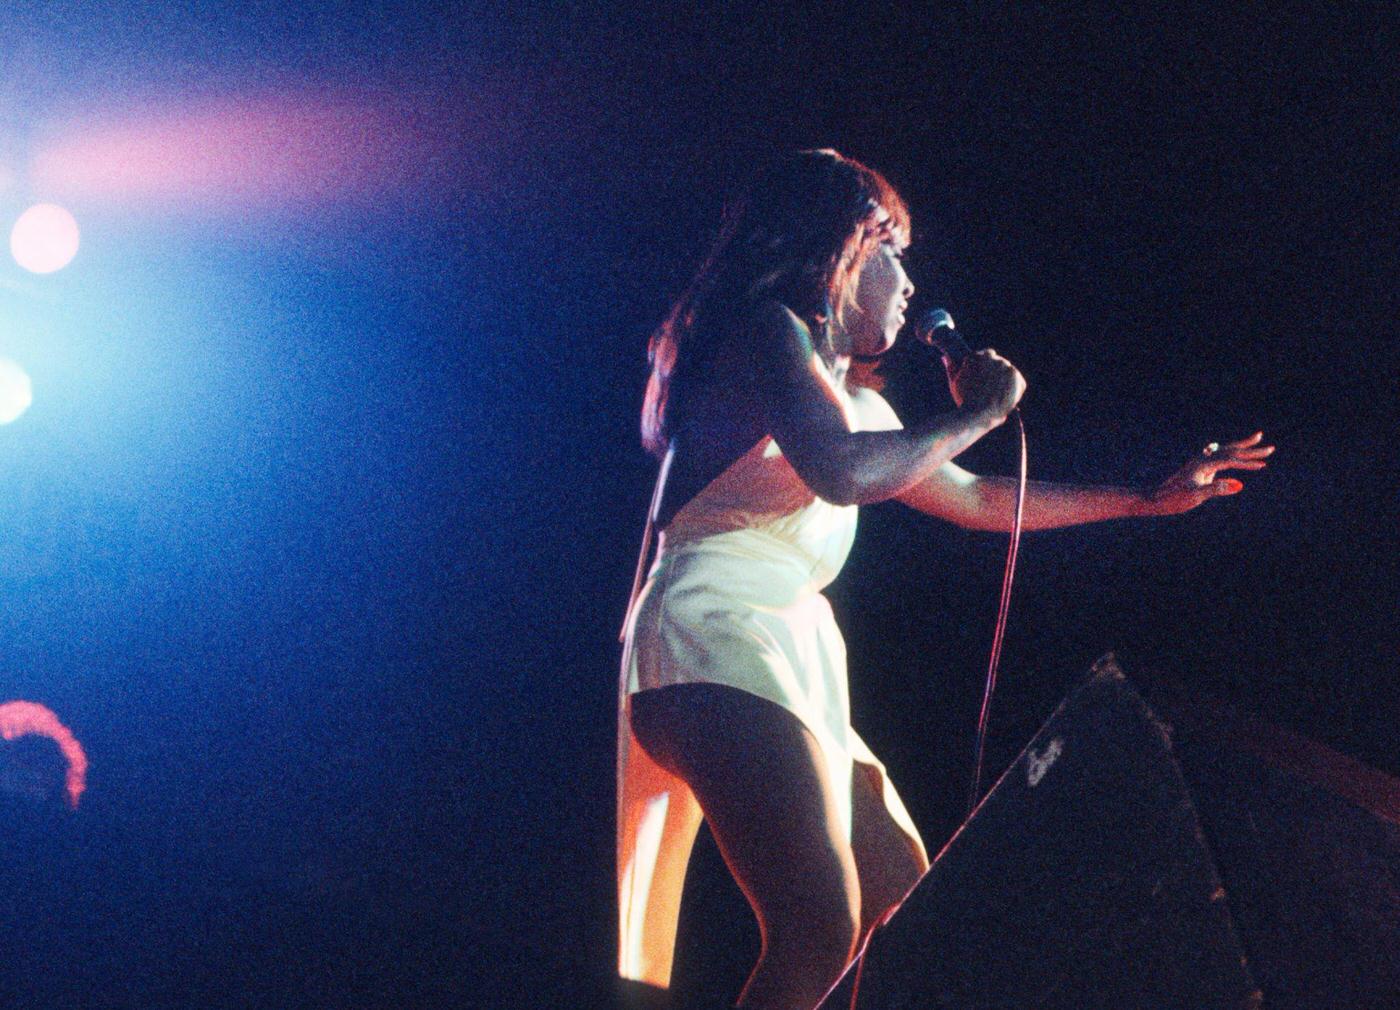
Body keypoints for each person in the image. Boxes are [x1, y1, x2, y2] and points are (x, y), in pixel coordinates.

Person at [616, 149, 1271, 1010]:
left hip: (785, 645)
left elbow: (980, 497)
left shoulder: (856, 403)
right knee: (817, 922)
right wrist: (976, 411)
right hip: (709, 627)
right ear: (843, 248)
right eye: (894, 250)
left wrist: (1146, 500)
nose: (909, 281)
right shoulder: (765, 330)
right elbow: (843, 472)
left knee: (905, 902)